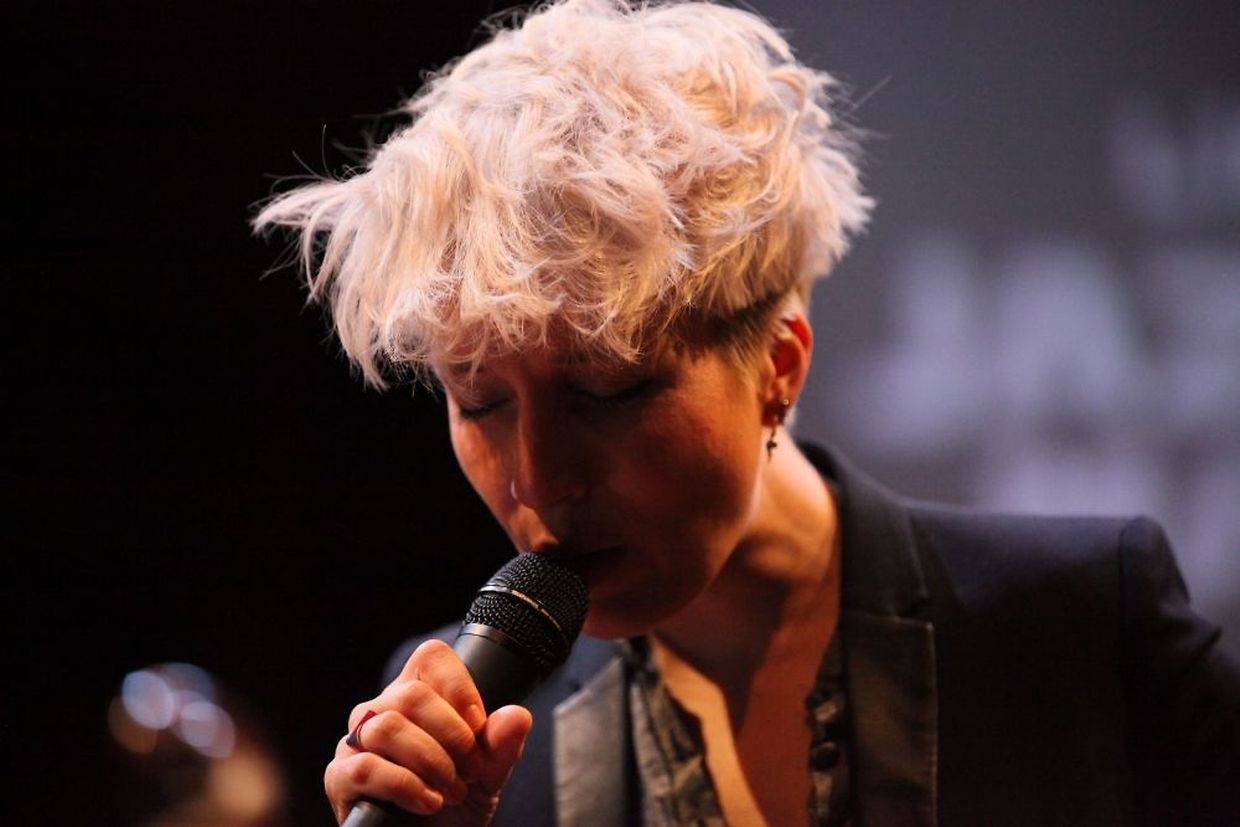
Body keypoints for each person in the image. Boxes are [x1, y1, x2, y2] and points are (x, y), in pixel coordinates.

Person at [253, 1, 1240, 824]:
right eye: (480, 401)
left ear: (778, 365)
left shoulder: (1083, 629)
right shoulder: (458, 739)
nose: (539, 476)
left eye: (609, 390)